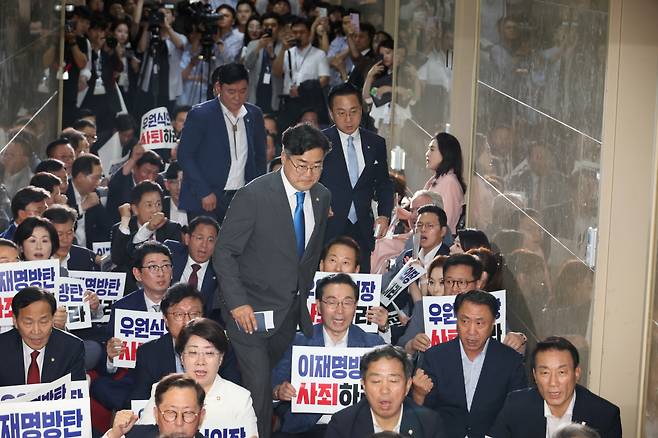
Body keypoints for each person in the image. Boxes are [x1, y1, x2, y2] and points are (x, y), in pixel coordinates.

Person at [214, 123, 331, 438]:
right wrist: (238, 304)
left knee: (265, 387)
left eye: (317, 166)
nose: (308, 173)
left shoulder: (321, 197)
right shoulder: (253, 195)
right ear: (284, 156)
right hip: (248, 312)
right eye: (301, 165)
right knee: (260, 390)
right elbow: (224, 253)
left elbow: (305, 257)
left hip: (288, 314)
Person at [271, 273, 386, 436]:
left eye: (347, 302)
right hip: (306, 430)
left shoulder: (373, 345)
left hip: (358, 430)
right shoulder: (298, 342)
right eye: (331, 302)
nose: (340, 310)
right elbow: (271, 387)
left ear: (356, 306)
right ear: (318, 305)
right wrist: (279, 392)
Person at [412, 290, 527, 438]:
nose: (471, 331)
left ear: (493, 323)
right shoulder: (435, 357)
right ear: (456, 319)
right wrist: (418, 395)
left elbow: (517, 412)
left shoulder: (510, 360)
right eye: (464, 321)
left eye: (479, 323)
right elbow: (423, 415)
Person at [137, 318, 258, 438]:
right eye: (193, 353)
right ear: (182, 358)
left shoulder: (239, 397)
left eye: (209, 353)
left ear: (221, 358)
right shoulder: (163, 390)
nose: (201, 362)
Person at [178, 63, 267, 224]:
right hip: (205, 198)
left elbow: (260, 157)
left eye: (242, 91)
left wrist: (256, 192)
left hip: (242, 199)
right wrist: (204, 192)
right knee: (206, 247)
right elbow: (185, 156)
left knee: (238, 248)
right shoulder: (201, 115)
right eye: (231, 91)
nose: (237, 97)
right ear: (219, 87)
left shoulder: (254, 114)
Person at [320, 83, 394, 272]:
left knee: (360, 288)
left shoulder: (376, 143)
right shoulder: (320, 143)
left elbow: (384, 184)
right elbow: (309, 182)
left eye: (353, 111)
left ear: (361, 109)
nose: (348, 119)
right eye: (341, 113)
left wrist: (384, 215)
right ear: (331, 113)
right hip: (329, 225)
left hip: (362, 226)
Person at [92, 241, 173, 411]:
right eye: (153, 267)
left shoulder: (185, 302)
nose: (161, 273)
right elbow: (110, 369)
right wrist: (111, 357)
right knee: (100, 386)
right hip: (137, 379)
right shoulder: (123, 307)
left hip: (177, 376)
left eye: (166, 266)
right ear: (137, 274)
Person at [489, 337, 622, 438]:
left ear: (576, 373)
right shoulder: (516, 405)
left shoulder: (605, 415)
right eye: (545, 373)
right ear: (535, 375)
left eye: (561, 372)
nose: (553, 383)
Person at [130, 284, 240, 400]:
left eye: (194, 314)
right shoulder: (149, 353)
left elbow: (233, 393)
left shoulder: (220, 346)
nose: (187, 321)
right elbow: (139, 399)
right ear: (165, 319)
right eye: (179, 314)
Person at [325, 345, 445, 437]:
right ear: (364, 386)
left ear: (407, 385)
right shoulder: (343, 424)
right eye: (376, 381)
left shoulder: (429, 424)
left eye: (393, 381)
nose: (384, 390)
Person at [0, 286, 85, 385]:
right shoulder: (2, 347)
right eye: (28, 322)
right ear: (15, 320)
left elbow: (76, 396)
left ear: (53, 318)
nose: (36, 331)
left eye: (43, 321)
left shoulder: (72, 348)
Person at [111, 180, 182, 276]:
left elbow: (174, 263)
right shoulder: (123, 228)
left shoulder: (172, 229)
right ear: (135, 209)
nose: (155, 210)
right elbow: (118, 260)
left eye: (158, 204)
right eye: (149, 205)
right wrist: (125, 219)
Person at [105, 374, 206, 438]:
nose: (179, 423)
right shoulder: (133, 435)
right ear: (156, 415)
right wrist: (114, 435)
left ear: (201, 416)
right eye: (170, 412)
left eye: (188, 413)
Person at [166, 216, 219, 317]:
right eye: (200, 238)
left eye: (211, 240)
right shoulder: (171, 252)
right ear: (187, 239)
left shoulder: (220, 269)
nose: (204, 245)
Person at [106, 150, 164, 225]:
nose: (151, 177)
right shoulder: (121, 183)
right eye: (147, 172)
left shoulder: (159, 181)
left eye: (155, 173)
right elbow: (113, 184)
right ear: (134, 168)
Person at [424, 132, 467, 234]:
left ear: (446, 153)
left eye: (432, 149)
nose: (427, 153)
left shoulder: (450, 183)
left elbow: (445, 222)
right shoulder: (437, 180)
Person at [66, 154, 111, 249]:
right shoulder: (64, 193)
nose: (98, 182)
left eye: (100, 178)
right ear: (80, 177)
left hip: (88, 252)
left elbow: (106, 227)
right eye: (95, 178)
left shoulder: (94, 194)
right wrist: (83, 207)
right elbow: (62, 222)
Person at [243, 12, 284, 114]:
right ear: (261, 27)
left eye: (273, 25)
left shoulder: (283, 47)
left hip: (275, 94)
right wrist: (259, 47)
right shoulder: (253, 44)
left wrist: (271, 54)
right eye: (266, 25)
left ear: (278, 28)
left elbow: (281, 72)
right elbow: (247, 65)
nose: (269, 28)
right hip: (255, 93)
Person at [42, 205, 97, 271]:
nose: (65, 239)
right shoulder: (36, 259)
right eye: (59, 234)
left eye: (69, 233)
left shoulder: (83, 256)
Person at [1, 131, 34, 198]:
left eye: (12, 155)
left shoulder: (31, 182)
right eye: (5, 154)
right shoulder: (2, 173)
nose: (6, 158)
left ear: (25, 159)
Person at [162, 162, 187, 227]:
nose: (179, 187)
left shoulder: (201, 209)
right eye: (174, 182)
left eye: (184, 182)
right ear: (167, 185)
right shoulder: (159, 208)